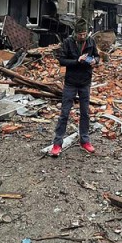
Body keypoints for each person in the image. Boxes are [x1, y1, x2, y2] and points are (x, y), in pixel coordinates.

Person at [50, 17, 102, 157]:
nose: (83, 36)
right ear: (75, 33)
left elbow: (97, 57)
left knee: (85, 113)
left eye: (85, 33)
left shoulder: (91, 41)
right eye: (80, 34)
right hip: (71, 82)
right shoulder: (68, 42)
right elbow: (61, 60)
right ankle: (57, 144)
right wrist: (77, 61)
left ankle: (85, 140)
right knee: (65, 113)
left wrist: (95, 61)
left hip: (85, 81)